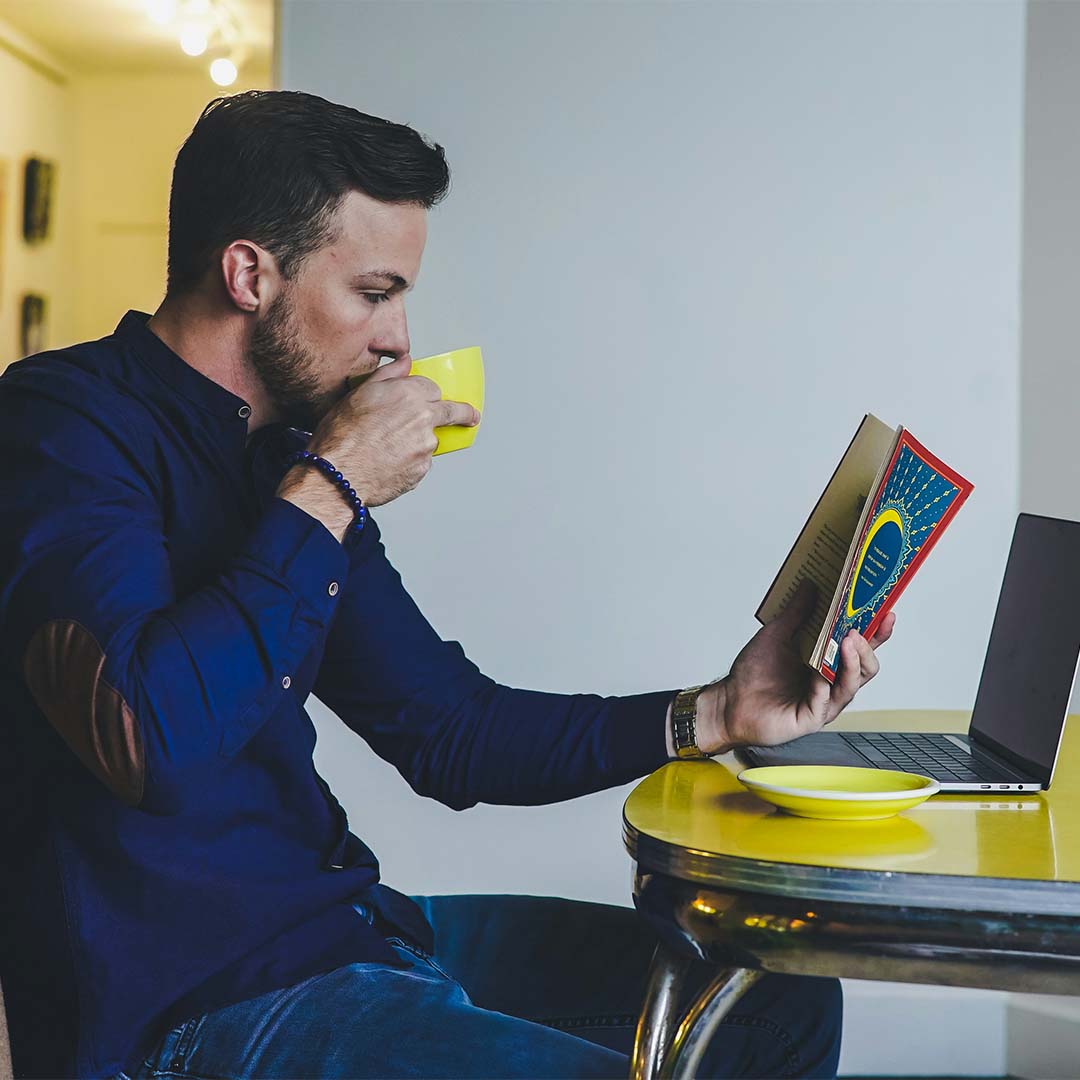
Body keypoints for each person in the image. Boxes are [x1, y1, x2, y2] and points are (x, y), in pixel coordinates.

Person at [0, 90, 893, 1080]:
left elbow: (451, 733)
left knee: (774, 1000)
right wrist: (333, 484)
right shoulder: (61, 428)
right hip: (191, 1005)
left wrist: (719, 711)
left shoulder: (285, 461)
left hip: (345, 931)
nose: (398, 340)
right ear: (250, 274)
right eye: (374, 293)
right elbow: (146, 738)